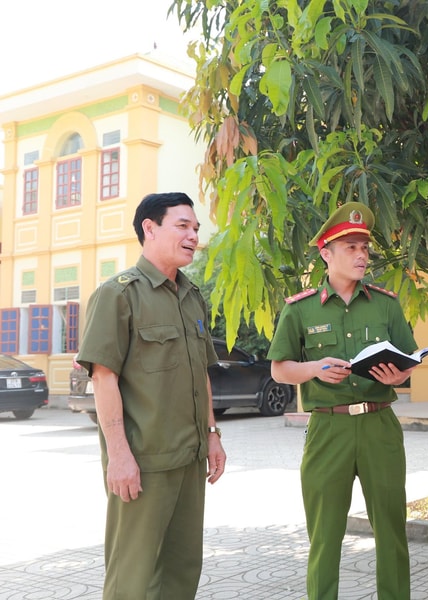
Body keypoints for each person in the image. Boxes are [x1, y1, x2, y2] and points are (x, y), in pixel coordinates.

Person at [76, 192, 226, 599]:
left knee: (182, 571)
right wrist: (119, 456)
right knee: (133, 577)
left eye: (196, 228)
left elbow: (201, 372)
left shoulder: (192, 296)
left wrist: (212, 434)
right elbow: (103, 379)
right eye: (183, 226)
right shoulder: (118, 295)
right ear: (150, 228)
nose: (193, 235)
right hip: (144, 464)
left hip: (190, 459)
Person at [267, 202, 419, 600]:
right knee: (325, 534)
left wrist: (399, 375)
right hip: (327, 428)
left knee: (391, 529)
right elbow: (280, 369)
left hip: (379, 425)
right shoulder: (299, 309)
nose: (361, 255)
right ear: (326, 254)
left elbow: (409, 360)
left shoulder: (386, 304)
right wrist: (314, 368)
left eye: (364, 248)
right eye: (351, 248)